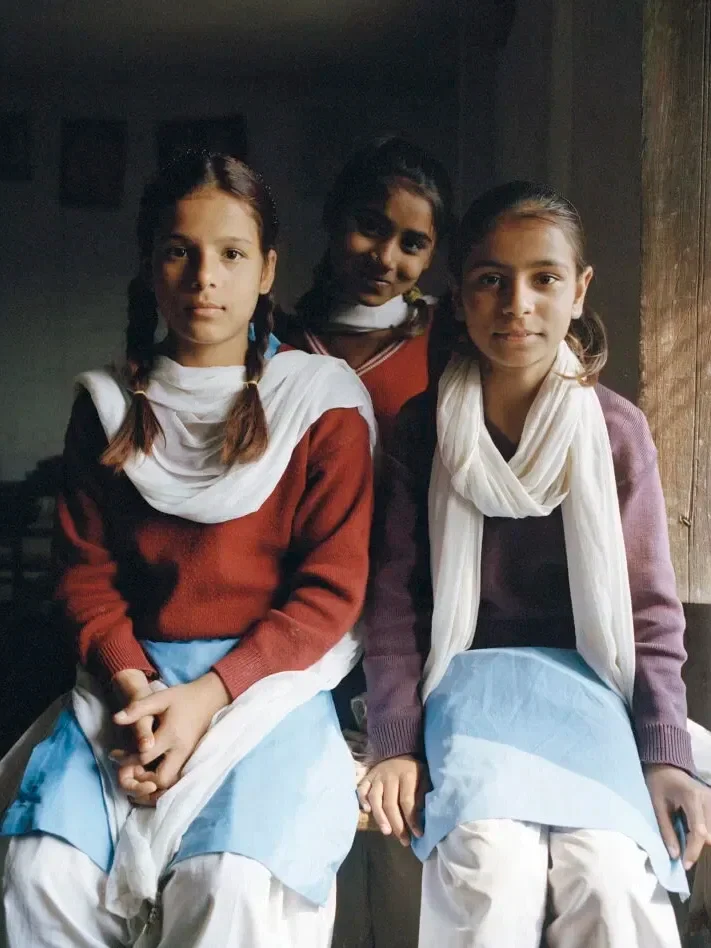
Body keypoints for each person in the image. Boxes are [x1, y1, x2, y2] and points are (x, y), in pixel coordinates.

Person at [0, 151, 376, 948]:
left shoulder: (320, 404)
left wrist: (205, 699)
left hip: (266, 682)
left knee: (228, 882)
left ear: (267, 269)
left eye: (232, 253)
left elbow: (329, 594)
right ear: (150, 265)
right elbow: (86, 581)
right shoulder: (105, 405)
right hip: (126, 680)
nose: (205, 276)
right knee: (40, 865)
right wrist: (140, 704)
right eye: (180, 250)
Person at [359, 180, 711, 947]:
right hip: (466, 684)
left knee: (611, 877)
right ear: (458, 297)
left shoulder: (615, 432)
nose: (517, 302)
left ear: (578, 291)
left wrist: (662, 751)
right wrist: (394, 738)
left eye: (544, 278)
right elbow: (392, 602)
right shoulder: (423, 432)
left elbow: (648, 611)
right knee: (487, 868)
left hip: (590, 692)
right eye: (491, 279)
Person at [280, 135, 455, 948]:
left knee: (401, 807)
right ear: (329, 222)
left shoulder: (446, 345)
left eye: (412, 242)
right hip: (294, 601)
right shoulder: (272, 339)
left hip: (402, 607)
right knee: (297, 794)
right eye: (368, 227)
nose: (385, 256)